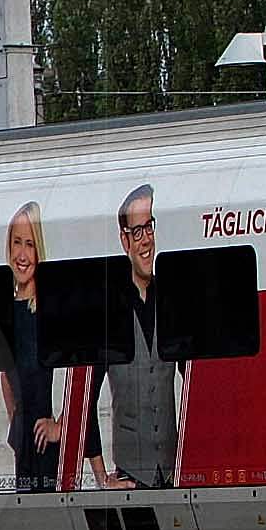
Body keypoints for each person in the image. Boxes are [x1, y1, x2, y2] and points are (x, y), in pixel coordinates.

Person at [91, 183, 183, 490]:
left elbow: (199, 381)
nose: (145, 240)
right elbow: (85, 401)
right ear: (124, 240)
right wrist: (102, 477)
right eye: (137, 231)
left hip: (172, 472)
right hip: (130, 474)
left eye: (149, 228)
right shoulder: (109, 311)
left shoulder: (171, 302)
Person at [0, 202, 61, 490]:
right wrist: (16, 423)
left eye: (30, 244)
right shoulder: (7, 313)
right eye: (17, 243)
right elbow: (5, 374)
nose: (22, 254)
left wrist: (61, 426)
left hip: (52, 453)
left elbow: (80, 373)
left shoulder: (52, 311)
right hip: (22, 444)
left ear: (39, 251)